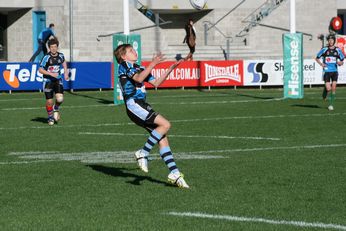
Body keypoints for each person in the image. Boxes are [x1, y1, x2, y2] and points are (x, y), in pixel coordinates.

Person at [114, 44, 189, 188]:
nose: (134, 52)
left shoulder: (139, 67)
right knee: (165, 124)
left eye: (134, 50)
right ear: (123, 56)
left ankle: (174, 173)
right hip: (134, 104)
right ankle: (143, 152)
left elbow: (156, 83)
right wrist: (153, 64)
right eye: (130, 51)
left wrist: (170, 69)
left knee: (163, 138)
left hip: (142, 104)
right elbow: (138, 79)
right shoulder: (124, 65)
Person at [39, 38, 68, 125]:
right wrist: (50, 74)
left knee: (60, 98)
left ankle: (56, 108)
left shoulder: (61, 55)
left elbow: (64, 62)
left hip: (58, 79)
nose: (53, 49)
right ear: (49, 48)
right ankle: (50, 117)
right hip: (48, 81)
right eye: (51, 47)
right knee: (49, 101)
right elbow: (40, 70)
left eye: (55, 47)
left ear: (57, 47)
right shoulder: (46, 57)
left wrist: (65, 72)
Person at [315, 34, 344, 111]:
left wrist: (340, 63)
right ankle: (326, 89)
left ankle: (331, 105)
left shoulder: (337, 50)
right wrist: (321, 64)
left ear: (334, 41)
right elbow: (317, 58)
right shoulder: (324, 49)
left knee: (333, 88)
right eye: (329, 40)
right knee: (329, 88)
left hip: (334, 71)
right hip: (327, 71)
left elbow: (342, 60)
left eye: (332, 40)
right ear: (328, 41)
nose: (331, 41)